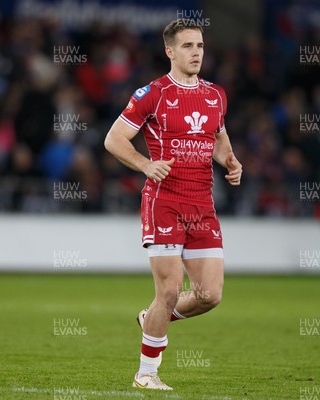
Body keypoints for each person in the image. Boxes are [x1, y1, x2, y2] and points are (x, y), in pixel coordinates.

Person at [104, 19, 243, 391]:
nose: (196, 52)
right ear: (170, 51)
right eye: (187, 46)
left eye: (199, 45)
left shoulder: (216, 94)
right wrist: (146, 164)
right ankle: (146, 373)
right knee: (167, 291)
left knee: (210, 295)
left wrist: (231, 161)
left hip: (202, 203)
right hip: (164, 201)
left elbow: (217, 138)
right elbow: (114, 139)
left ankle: (152, 318)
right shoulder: (152, 93)